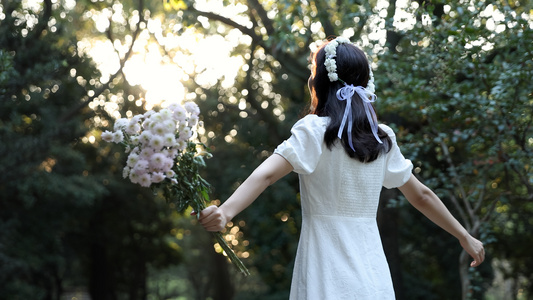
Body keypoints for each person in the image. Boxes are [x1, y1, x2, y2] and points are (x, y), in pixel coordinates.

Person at [197, 37, 485, 299]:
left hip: (325, 270)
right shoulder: (380, 137)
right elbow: (421, 195)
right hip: (372, 276)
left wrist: (226, 211)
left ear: (319, 82)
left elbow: (267, 173)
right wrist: (464, 236)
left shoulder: (313, 130)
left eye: (313, 72)